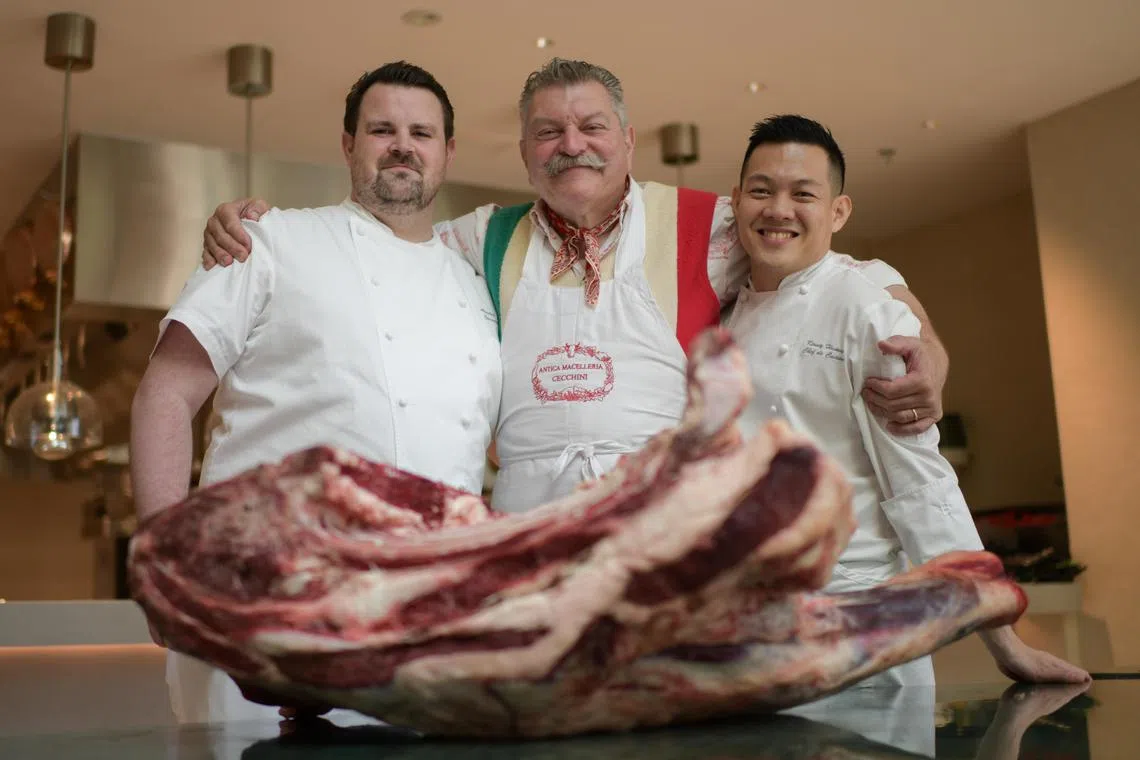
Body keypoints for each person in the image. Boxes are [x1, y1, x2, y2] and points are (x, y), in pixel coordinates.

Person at [199, 58, 948, 515]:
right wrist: (247, 220)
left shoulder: (707, 224)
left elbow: (837, 270)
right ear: (524, 151)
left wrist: (927, 347)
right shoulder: (473, 239)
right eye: (549, 132)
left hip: (666, 516)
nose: (572, 145)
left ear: (627, 139)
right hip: (526, 519)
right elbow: (380, 238)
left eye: (592, 126)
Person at [129, 61, 502, 726]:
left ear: (448, 151)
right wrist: (164, 565)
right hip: (260, 606)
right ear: (348, 144)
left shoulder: (474, 284)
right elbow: (165, 393)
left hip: (427, 627)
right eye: (381, 129)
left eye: (421, 132)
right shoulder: (270, 240)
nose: (401, 145)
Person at [723, 114, 1090, 687]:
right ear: (736, 201)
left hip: (859, 621)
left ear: (838, 212)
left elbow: (920, 484)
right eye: (761, 191)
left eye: (804, 194)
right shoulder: (723, 310)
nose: (778, 210)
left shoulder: (865, 307)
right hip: (746, 627)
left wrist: (1004, 642)